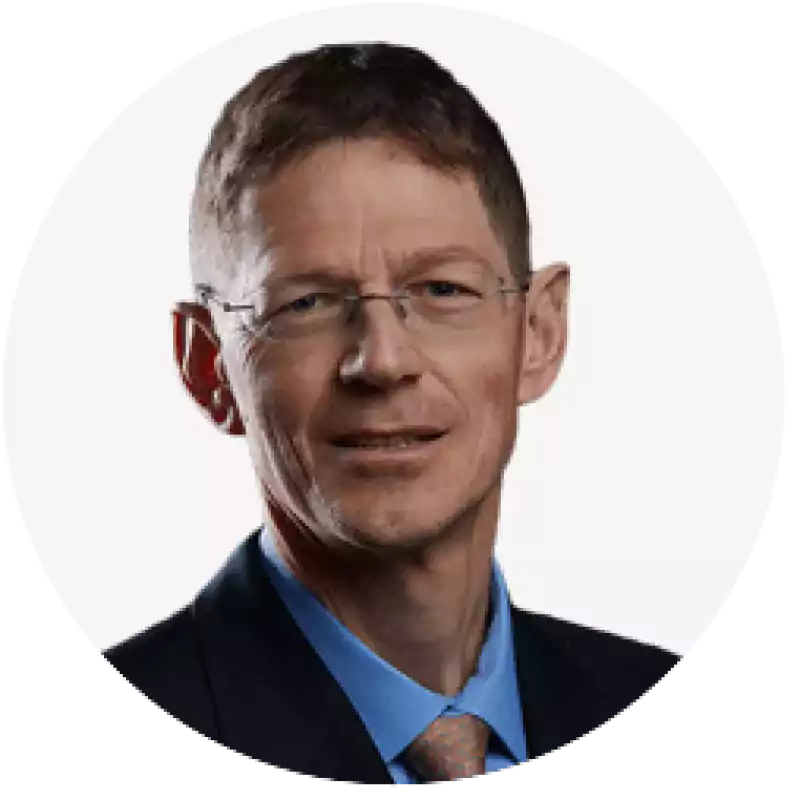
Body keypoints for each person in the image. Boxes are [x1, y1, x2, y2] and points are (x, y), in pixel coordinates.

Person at [99, 42, 682, 791]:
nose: (381, 361)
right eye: (305, 303)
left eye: (442, 290)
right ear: (211, 366)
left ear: (538, 334)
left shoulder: (648, 694)